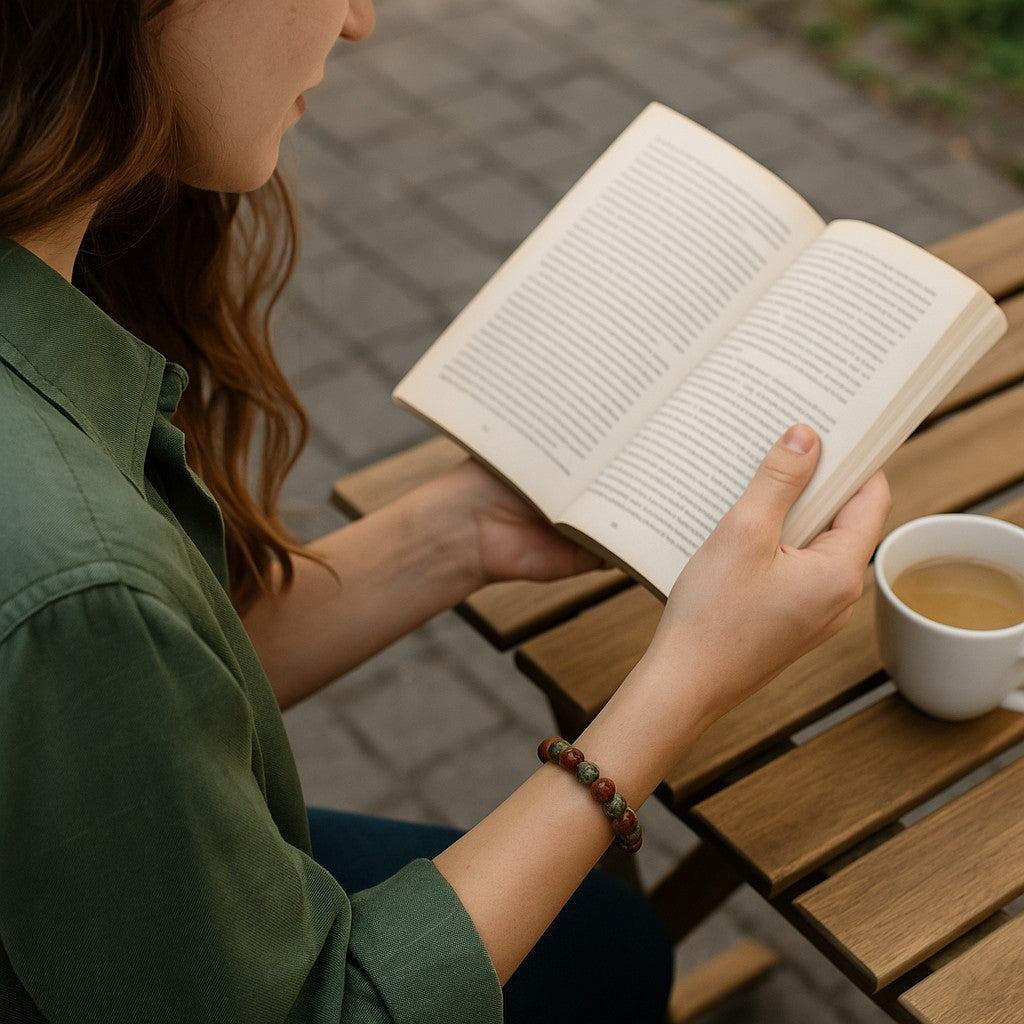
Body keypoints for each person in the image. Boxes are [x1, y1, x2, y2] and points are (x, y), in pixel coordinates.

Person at [0, 1, 892, 1021]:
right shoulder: (71, 562)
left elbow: (126, 694)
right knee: (602, 958)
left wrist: (458, 531)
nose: (359, 22)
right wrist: (685, 679)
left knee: (603, 941)